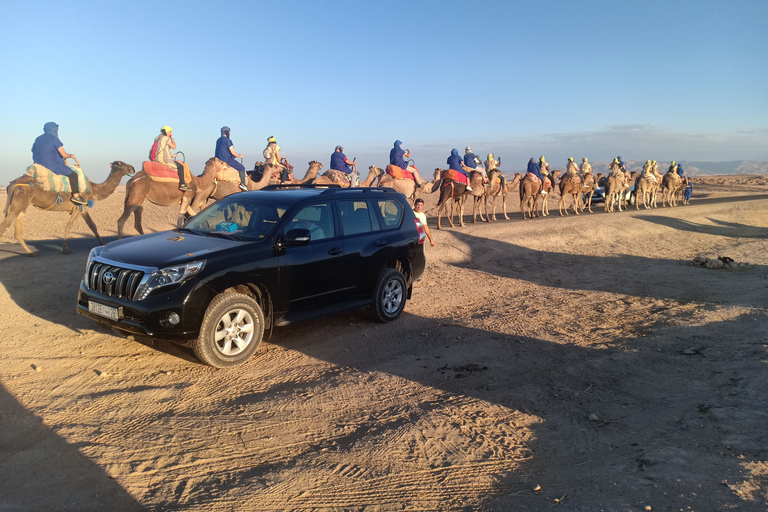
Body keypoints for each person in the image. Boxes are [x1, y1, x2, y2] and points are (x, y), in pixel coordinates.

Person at [31, 122, 87, 205]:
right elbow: (64, 154)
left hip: (38, 164)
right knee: (74, 175)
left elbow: (32, 150)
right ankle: (76, 196)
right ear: (54, 130)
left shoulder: (38, 138)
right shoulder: (55, 140)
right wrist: (71, 155)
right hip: (51, 165)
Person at [153, 126, 190, 191]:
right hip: (163, 160)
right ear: (166, 132)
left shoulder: (157, 138)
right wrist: (172, 138)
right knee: (181, 167)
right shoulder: (166, 138)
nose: (170, 133)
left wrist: (172, 156)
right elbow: (174, 147)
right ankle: (182, 184)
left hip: (156, 159)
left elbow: (162, 150)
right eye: (170, 132)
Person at [215, 126, 247, 191]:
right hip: (227, 160)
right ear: (227, 132)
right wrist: (239, 155)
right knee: (242, 168)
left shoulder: (218, 140)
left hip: (218, 160)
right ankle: (243, 184)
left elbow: (223, 150)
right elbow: (233, 152)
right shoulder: (228, 140)